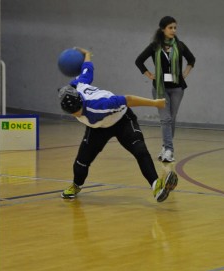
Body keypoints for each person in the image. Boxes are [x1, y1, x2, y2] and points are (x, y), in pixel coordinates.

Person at [58, 47, 178, 202]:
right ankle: (76, 185)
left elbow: (129, 99)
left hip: (122, 120)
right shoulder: (78, 84)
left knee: (140, 150)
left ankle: (156, 186)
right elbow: (87, 68)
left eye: (79, 110)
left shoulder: (100, 105)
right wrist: (87, 54)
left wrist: (155, 103)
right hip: (98, 128)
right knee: (82, 161)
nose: (78, 114)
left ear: (80, 101)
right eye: (74, 113)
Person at [135, 16, 196, 162]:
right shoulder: (155, 46)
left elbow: (191, 60)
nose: (173, 30)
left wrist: (184, 74)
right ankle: (169, 150)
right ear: (163, 29)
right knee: (166, 119)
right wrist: (149, 74)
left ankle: (165, 147)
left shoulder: (180, 45)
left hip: (177, 89)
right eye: (170, 28)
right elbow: (139, 61)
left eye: (175, 27)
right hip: (160, 88)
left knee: (171, 119)